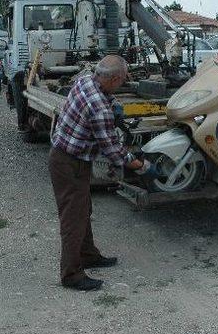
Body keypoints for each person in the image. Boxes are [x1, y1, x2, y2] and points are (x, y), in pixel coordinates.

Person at [48, 55, 145, 291]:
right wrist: (142, 166)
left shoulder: (85, 80)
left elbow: (103, 100)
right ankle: (71, 274)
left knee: (83, 210)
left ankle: (88, 254)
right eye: (122, 80)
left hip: (70, 158)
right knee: (73, 219)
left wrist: (114, 105)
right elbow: (114, 152)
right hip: (69, 163)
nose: (123, 83)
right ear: (113, 78)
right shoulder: (99, 109)